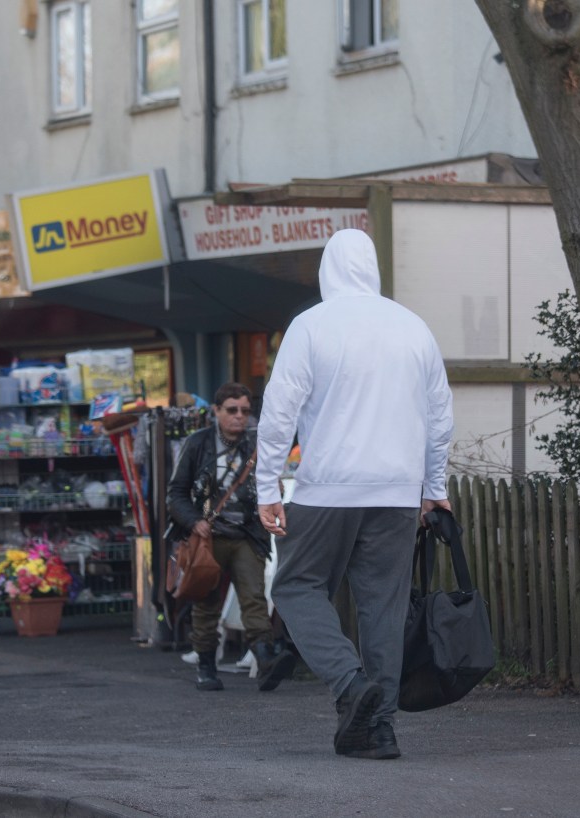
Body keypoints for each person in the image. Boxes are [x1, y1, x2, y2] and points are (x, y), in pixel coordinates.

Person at [256, 229, 453, 760]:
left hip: (328, 488)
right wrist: (433, 488)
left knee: (297, 587)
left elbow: (279, 412)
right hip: (396, 492)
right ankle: (378, 730)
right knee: (382, 609)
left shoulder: (311, 325)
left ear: (327, 270)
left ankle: (349, 683)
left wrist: (267, 485)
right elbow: (439, 416)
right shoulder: (413, 327)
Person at [167, 382, 295, 692]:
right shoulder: (198, 443)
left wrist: (272, 488)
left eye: (245, 411)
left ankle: (265, 659)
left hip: (246, 533)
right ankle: (207, 667)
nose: (239, 417)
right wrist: (194, 521)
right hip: (208, 536)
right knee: (206, 601)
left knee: (253, 597)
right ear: (216, 411)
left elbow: (268, 483)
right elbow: (176, 493)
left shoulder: (256, 444)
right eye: (232, 410)